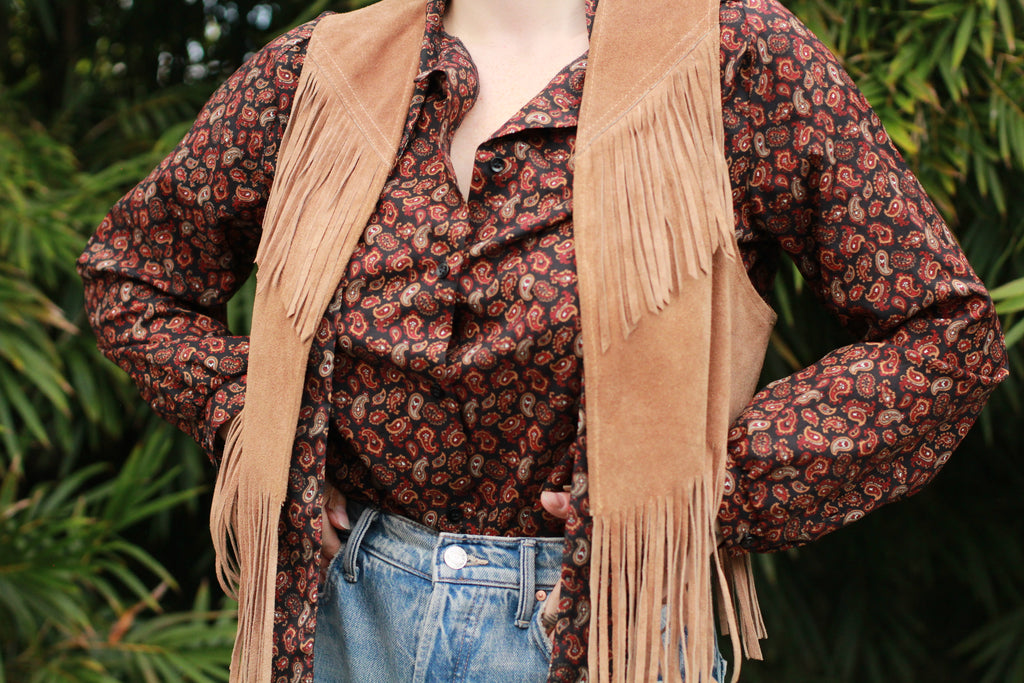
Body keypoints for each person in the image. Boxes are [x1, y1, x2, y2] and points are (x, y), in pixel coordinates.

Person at [77, 0, 1008, 681]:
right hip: (341, 621)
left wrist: (705, 494)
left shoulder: (732, 60)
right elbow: (133, 272)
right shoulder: (317, 74)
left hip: (603, 626)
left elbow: (941, 332)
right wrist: (265, 420)